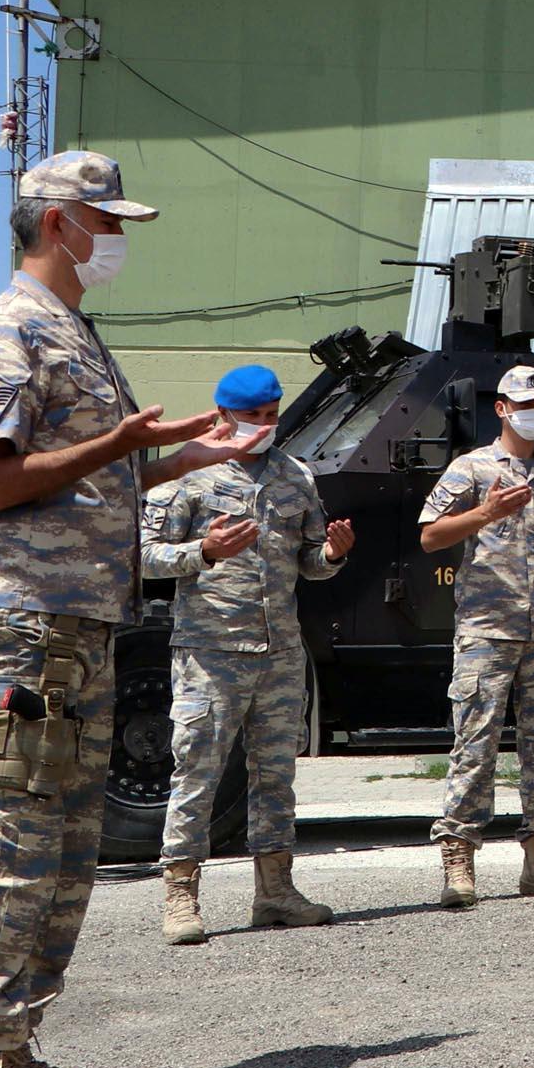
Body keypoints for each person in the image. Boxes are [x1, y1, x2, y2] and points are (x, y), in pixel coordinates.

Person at [0, 151, 244, 1068]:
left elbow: (85, 474)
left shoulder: (73, 330)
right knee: (13, 851)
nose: (118, 238)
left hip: (79, 626)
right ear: (58, 222)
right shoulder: (9, 327)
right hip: (21, 622)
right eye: (107, 220)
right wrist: (118, 449)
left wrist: (176, 455)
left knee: (67, 854)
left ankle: (17, 1052)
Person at [140, 364, 353, 942]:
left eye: (271, 415)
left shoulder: (295, 476)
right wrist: (201, 553)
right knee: (197, 773)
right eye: (252, 417)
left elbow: (308, 561)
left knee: (276, 775)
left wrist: (332, 554)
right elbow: (142, 556)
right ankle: (181, 897)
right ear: (224, 415)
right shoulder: (189, 474)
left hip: (279, 651)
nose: (263, 426)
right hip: (210, 650)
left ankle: (275, 891)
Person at [416, 364, 534, 907]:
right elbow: (429, 537)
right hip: (487, 631)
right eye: (525, 404)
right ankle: (458, 861)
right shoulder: (471, 469)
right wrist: (484, 512)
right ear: (500, 408)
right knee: (474, 748)